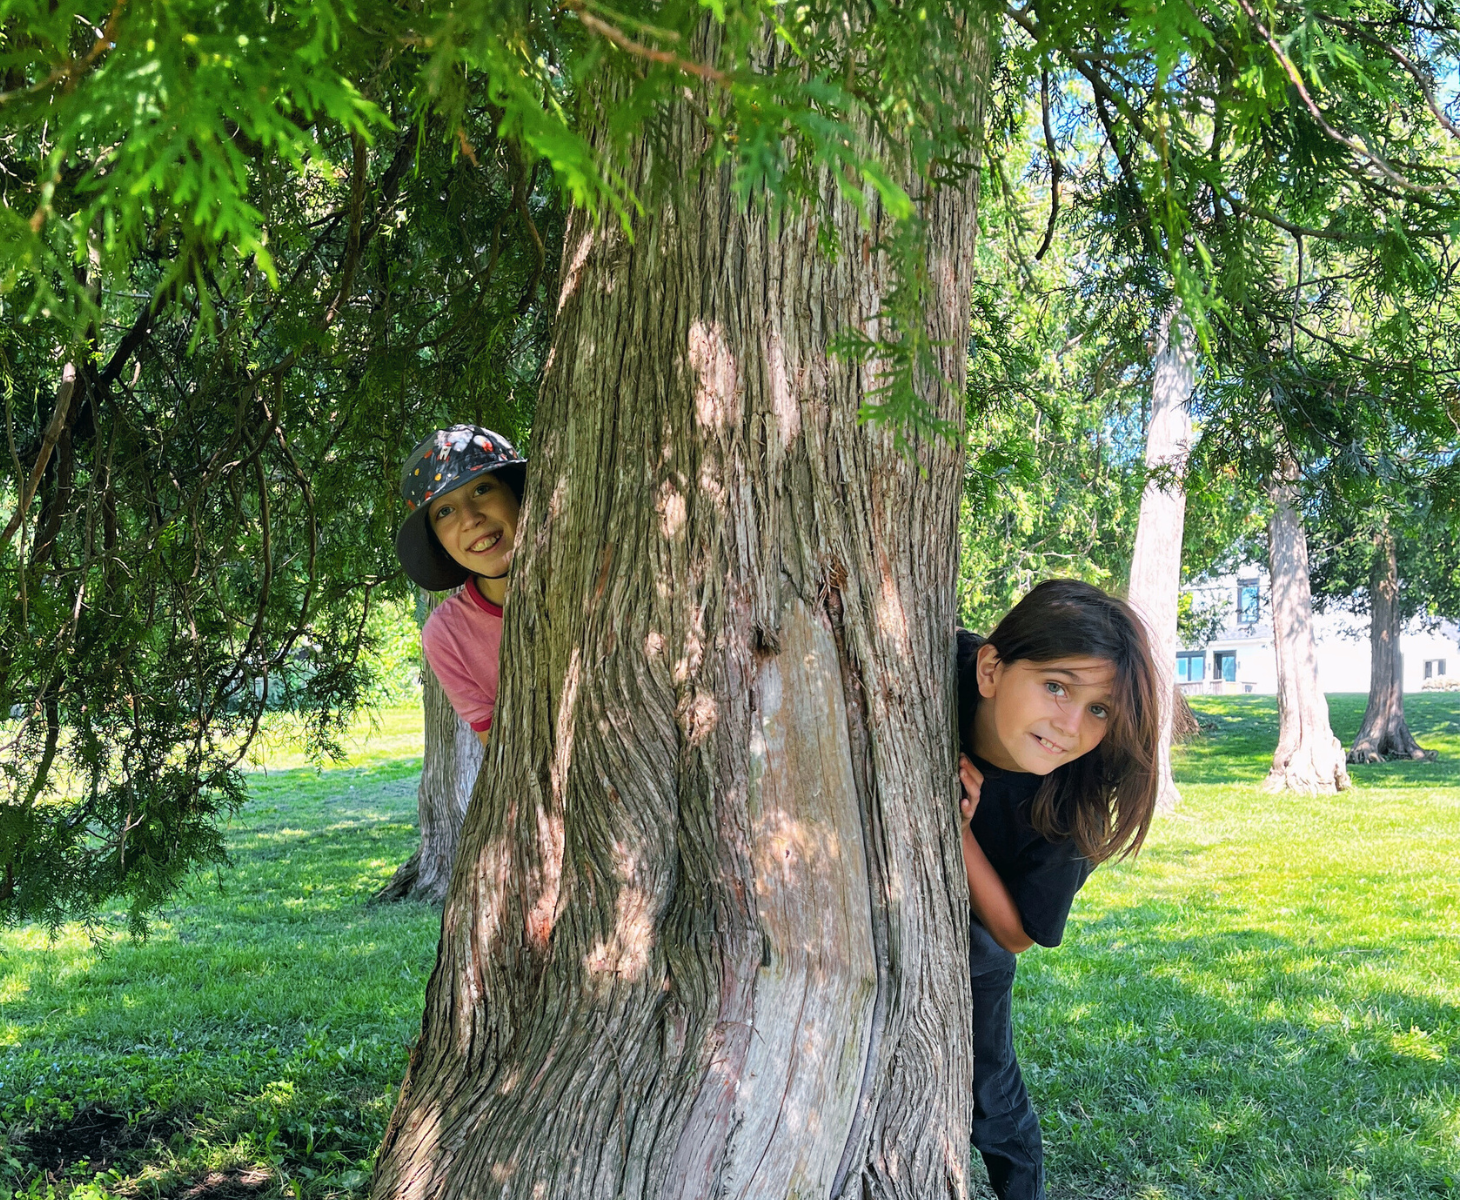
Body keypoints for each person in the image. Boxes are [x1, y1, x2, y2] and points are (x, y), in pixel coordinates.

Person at [954, 579, 1161, 1200]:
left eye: (1098, 708)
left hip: (988, 928)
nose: (1071, 725)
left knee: (989, 1087)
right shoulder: (942, 665)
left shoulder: (1074, 808)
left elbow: (1017, 934)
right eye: (1056, 687)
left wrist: (957, 833)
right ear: (991, 670)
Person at [394, 425, 526, 746]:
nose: (470, 519)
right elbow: (502, 753)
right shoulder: (446, 636)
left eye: (482, 489)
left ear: (518, 493)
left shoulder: (591, 573)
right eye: (446, 511)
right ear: (438, 542)